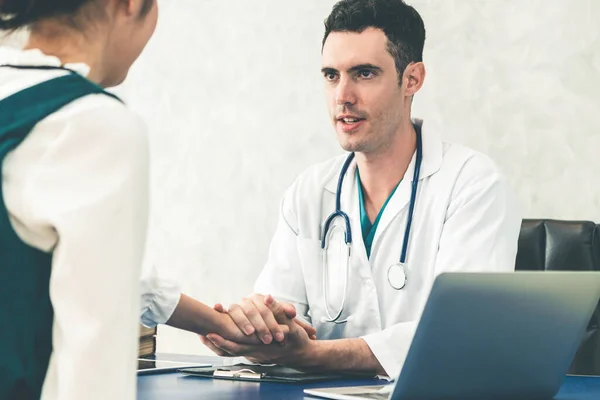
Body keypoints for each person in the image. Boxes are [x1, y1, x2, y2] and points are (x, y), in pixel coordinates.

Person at [0, 1, 313, 398]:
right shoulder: (89, 122)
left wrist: (224, 325)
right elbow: (94, 366)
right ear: (129, 5)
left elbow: (120, 278)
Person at [200, 0, 522, 378]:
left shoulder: (473, 185)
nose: (342, 96)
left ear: (412, 79)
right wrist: (256, 331)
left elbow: (459, 336)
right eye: (331, 75)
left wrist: (311, 354)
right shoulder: (308, 193)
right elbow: (282, 316)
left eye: (364, 74)